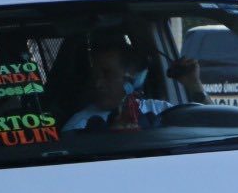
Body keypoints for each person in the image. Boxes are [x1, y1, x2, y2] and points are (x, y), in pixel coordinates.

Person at [61, 41, 209, 131]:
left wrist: (194, 85)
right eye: (95, 75)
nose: (98, 83)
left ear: (134, 79)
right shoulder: (79, 126)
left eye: (107, 74)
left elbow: (212, 124)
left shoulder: (161, 110)